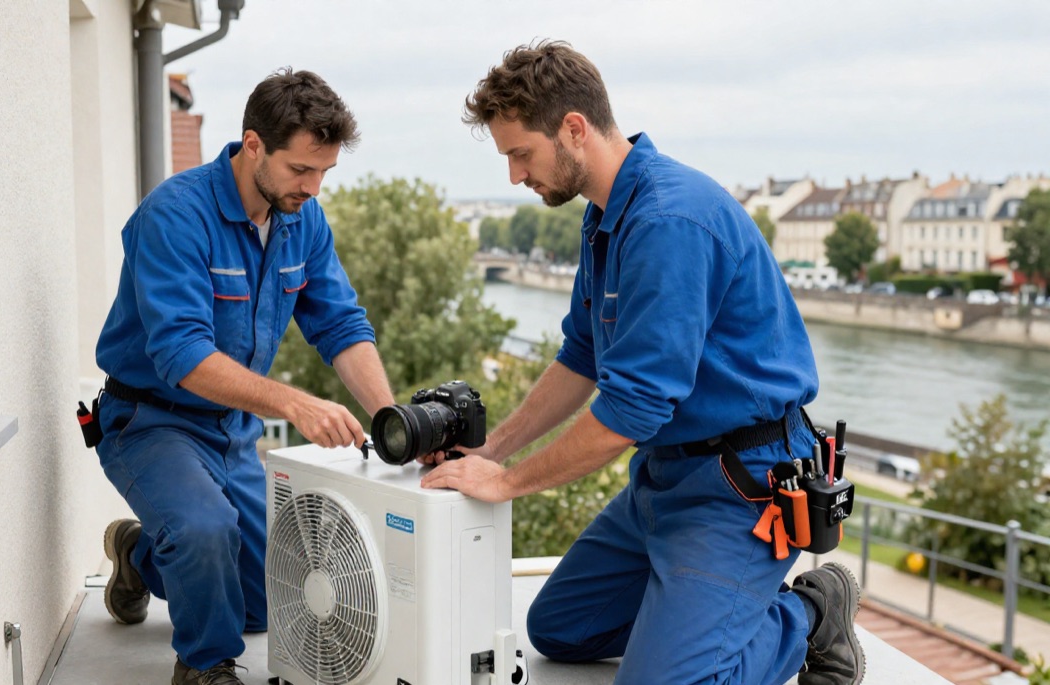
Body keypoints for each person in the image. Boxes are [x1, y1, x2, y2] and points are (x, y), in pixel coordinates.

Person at [421, 41, 864, 685]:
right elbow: (581, 357)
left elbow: (631, 408)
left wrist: (508, 483)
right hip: (663, 479)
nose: (514, 175)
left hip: (738, 487)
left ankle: (811, 614)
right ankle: (701, 613)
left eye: (521, 153)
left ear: (573, 129)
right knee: (559, 631)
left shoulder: (668, 220)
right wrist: (492, 452)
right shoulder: (607, 216)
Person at [93, 68, 394, 685]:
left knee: (262, 603)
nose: (312, 187)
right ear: (253, 144)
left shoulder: (301, 220)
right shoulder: (175, 216)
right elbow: (182, 355)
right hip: (149, 420)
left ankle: (140, 551)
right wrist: (296, 404)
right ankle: (203, 667)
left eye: (324, 173)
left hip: (229, 430)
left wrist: (389, 418)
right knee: (207, 534)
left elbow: (340, 325)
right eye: (300, 170)